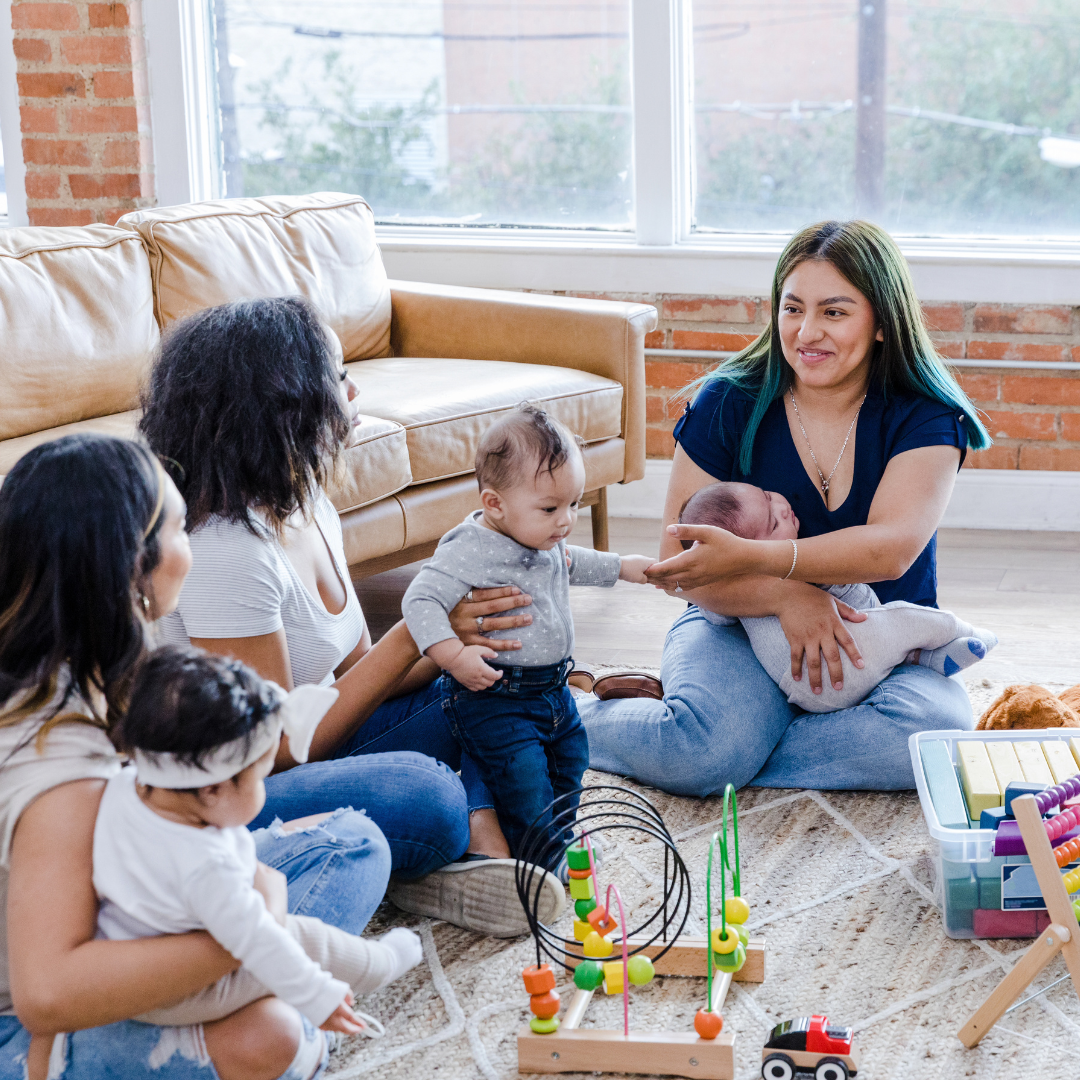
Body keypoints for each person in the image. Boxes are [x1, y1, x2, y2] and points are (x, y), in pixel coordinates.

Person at [141, 297, 563, 933]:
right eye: (338, 375)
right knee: (430, 796)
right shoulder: (225, 548)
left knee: (505, 689)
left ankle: (441, 862)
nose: (354, 387)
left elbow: (358, 675)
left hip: (326, 748)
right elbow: (273, 751)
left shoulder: (309, 504)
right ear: (285, 401)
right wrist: (410, 634)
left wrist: (453, 636)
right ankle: (447, 846)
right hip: (233, 792)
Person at [0, 435, 394, 1080]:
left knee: (351, 843)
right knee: (269, 1035)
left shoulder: (95, 659)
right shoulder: (59, 764)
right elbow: (46, 993)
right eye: (183, 527)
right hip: (29, 1013)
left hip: (131, 905)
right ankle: (292, 1025)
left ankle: (274, 984)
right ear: (134, 564)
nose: (193, 550)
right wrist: (253, 923)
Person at [578, 219, 991, 796]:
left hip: (883, 639)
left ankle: (731, 743)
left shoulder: (925, 414)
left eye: (835, 312)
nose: (807, 332)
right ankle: (558, 719)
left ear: (880, 322)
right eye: (793, 308)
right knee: (706, 753)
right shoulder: (729, 400)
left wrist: (756, 558)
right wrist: (784, 594)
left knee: (936, 741)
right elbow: (678, 561)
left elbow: (890, 550)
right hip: (737, 623)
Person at [95, 646, 423, 1034]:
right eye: (259, 778)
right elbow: (260, 940)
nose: (264, 788)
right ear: (213, 789)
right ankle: (376, 965)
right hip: (181, 996)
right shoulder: (207, 866)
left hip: (127, 963)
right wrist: (317, 996)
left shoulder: (125, 785)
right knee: (300, 937)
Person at [401, 405, 654, 866]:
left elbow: (576, 560)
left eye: (574, 504)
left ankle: (558, 836)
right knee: (524, 779)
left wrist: (625, 568)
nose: (566, 521)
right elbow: (419, 601)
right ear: (495, 504)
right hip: (498, 698)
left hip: (554, 691)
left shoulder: (544, 538)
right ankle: (541, 862)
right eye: (551, 508)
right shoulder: (472, 547)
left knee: (569, 765)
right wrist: (454, 657)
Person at [677, 480, 997, 712]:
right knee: (906, 619)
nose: (782, 506)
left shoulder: (734, 596)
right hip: (840, 668)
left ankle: (928, 658)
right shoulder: (790, 566)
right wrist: (782, 595)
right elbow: (851, 598)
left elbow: (715, 613)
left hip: (801, 688)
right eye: (774, 523)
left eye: (767, 494)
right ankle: (966, 632)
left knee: (932, 713)